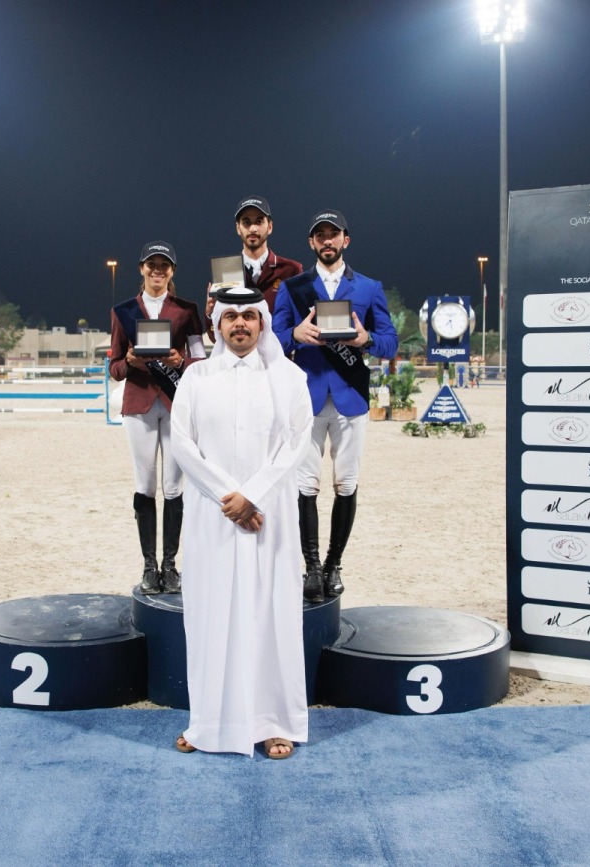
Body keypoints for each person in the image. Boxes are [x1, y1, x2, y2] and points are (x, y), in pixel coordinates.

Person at [170, 285, 314, 759]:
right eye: (230, 317)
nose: (239, 324)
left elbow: (297, 443)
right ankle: (208, 722)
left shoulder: (289, 377)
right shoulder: (195, 378)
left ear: (262, 323)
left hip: (269, 519)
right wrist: (226, 497)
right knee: (211, 615)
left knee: (270, 615)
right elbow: (182, 444)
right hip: (213, 520)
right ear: (218, 325)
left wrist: (251, 496)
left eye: (248, 317)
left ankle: (275, 722)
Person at [272, 210, 398, 603]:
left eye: (334, 234)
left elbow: (390, 342)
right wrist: (293, 333)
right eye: (319, 235)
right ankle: (310, 567)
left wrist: (364, 340)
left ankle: (333, 564)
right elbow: (272, 340)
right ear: (311, 243)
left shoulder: (369, 287)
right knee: (305, 485)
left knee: (346, 484)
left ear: (346, 239)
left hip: (350, 399)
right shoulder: (292, 288)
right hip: (305, 398)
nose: (327, 241)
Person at [108, 242, 205, 595]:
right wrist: (130, 363)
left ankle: (170, 564)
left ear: (172, 272)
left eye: (164, 266)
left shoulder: (186, 310)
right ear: (142, 268)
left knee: (175, 487)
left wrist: (182, 363)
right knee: (145, 485)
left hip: (176, 401)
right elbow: (114, 367)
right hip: (140, 405)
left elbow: (200, 359)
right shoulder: (123, 312)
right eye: (152, 265)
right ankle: (149, 566)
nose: (158, 271)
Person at [205, 196, 304, 330]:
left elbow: (300, 323)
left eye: (259, 221)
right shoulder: (225, 270)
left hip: (279, 350)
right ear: (238, 228)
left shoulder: (291, 270)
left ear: (270, 226)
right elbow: (216, 337)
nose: (252, 228)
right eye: (246, 222)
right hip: (238, 348)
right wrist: (211, 314)